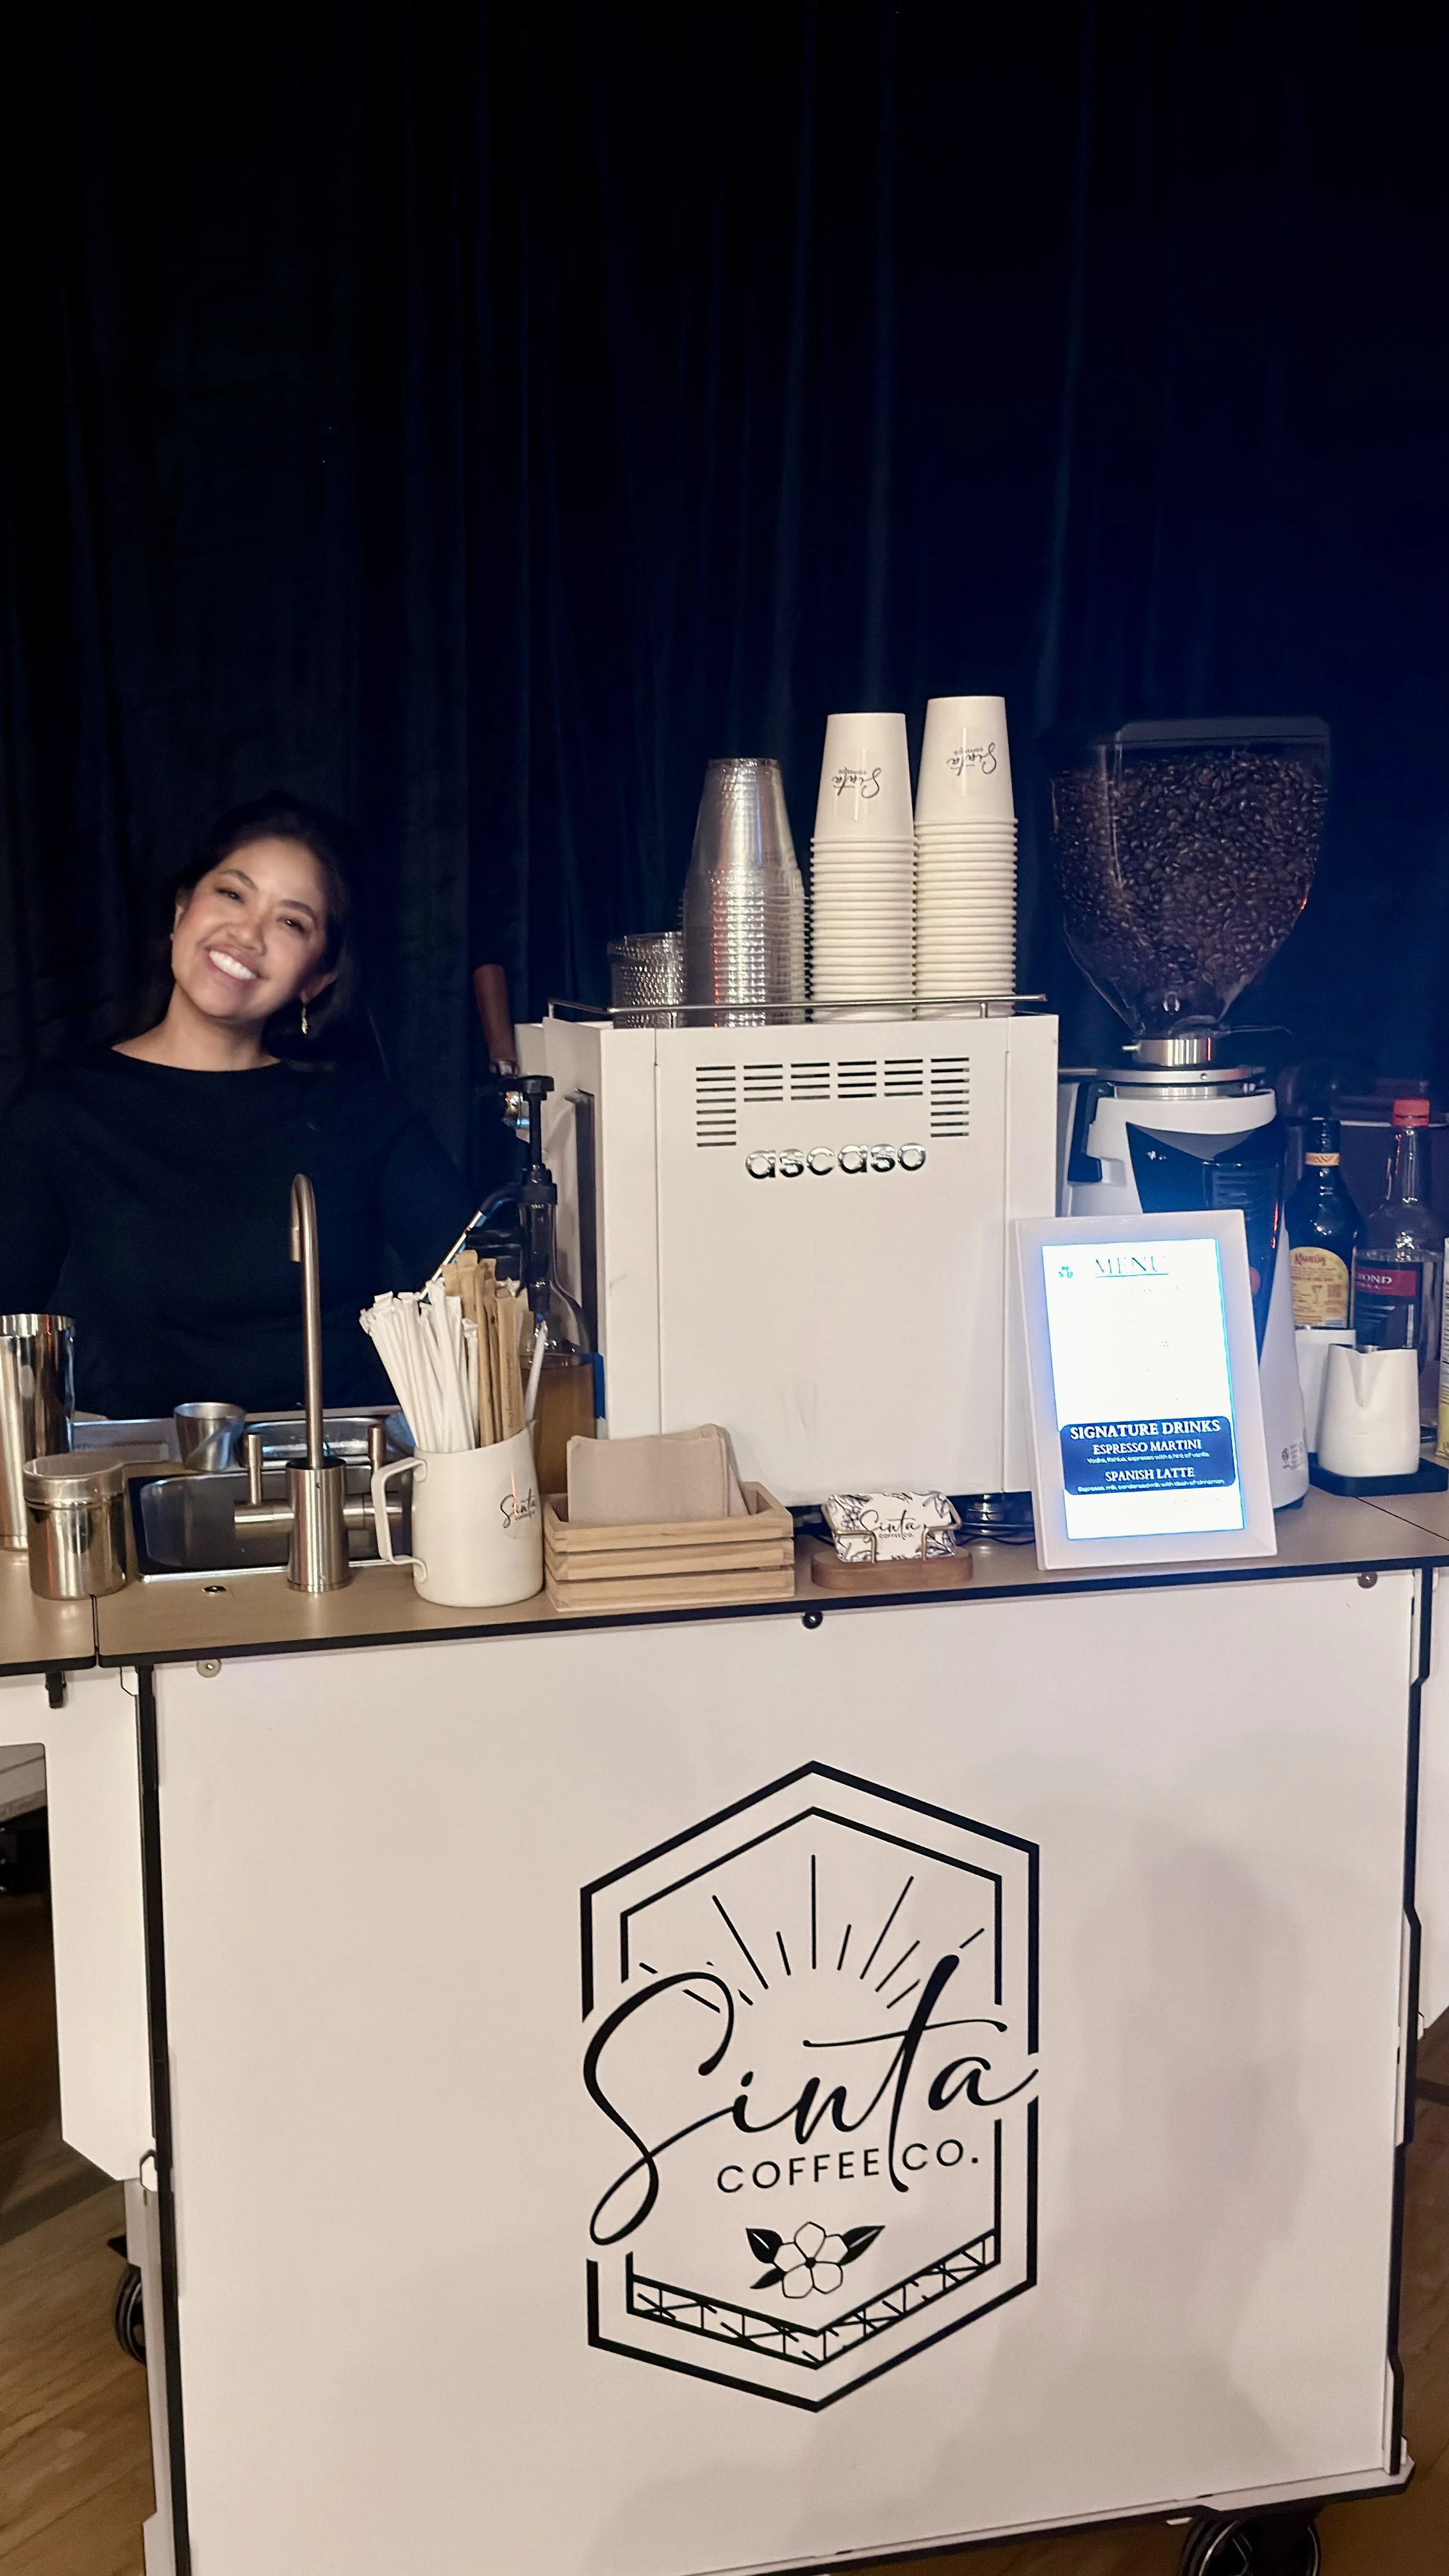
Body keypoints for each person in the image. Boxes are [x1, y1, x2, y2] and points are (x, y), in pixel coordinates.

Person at [0, 795, 475, 1419]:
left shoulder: (361, 1112)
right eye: (231, 894)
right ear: (181, 910)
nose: (247, 934)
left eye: (291, 922)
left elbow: (485, 1296)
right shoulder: (63, 1109)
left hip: (339, 1476)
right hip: (142, 1486)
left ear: (319, 977)